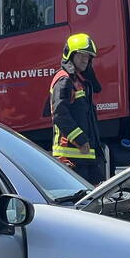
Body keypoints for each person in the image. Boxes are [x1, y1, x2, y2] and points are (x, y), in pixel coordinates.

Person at [49, 33, 105, 184]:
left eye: (88, 56)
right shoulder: (64, 80)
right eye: (81, 55)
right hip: (71, 156)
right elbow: (60, 115)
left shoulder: (80, 81)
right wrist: (80, 140)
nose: (85, 60)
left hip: (84, 156)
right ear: (71, 55)